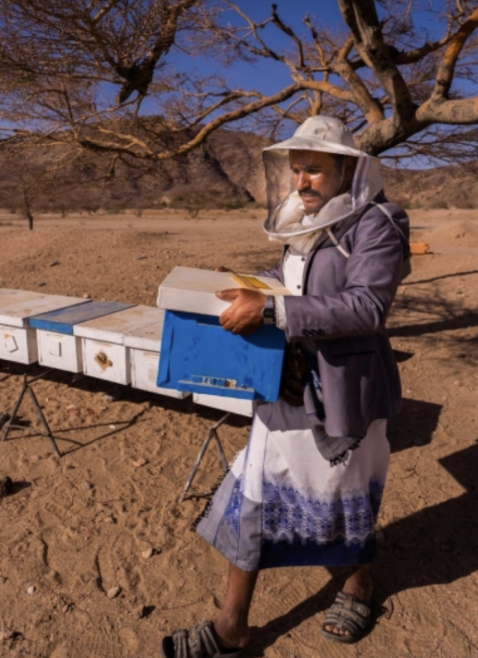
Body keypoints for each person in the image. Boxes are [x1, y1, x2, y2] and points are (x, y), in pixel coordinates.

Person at [161, 115, 410, 658]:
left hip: (344, 389)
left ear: (347, 170)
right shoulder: (304, 221)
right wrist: (249, 287)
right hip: (288, 381)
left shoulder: (378, 222)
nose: (301, 181)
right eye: (296, 169)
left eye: (313, 169)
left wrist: (273, 310)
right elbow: (296, 287)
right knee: (256, 486)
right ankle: (232, 624)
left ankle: (358, 583)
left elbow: (367, 306)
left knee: (347, 493)